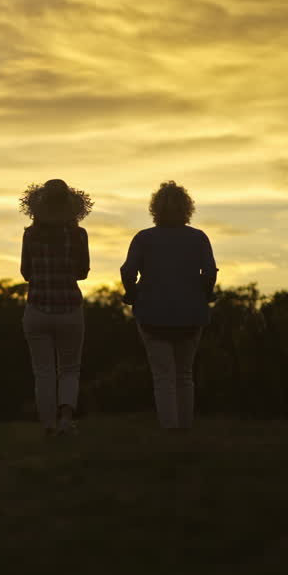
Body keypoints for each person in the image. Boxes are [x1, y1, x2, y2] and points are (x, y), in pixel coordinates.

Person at [120, 180, 217, 432]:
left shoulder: (143, 238)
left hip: (152, 313)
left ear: (156, 208)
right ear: (187, 208)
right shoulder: (198, 238)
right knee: (184, 374)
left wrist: (131, 294)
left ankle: (170, 430)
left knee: (163, 375)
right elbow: (209, 272)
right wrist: (205, 294)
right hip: (191, 312)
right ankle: (184, 429)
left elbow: (128, 271)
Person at [19, 179, 92, 437]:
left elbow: (25, 272)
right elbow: (82, 272)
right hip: (70, 308)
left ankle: (48, 425)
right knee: (70, 369)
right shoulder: (78, 235)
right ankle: (65, 419)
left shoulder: (30, 234)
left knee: (43, 372)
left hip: (37, 307)